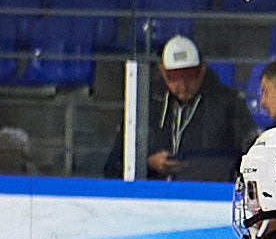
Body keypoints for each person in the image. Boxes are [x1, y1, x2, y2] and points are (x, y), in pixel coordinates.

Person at [105, 35, 258, 182]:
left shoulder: (229, 103)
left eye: (190, 77)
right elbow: (113, 165)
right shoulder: (146, 105)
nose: (183, 86)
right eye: (174, 79)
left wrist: (198, 167)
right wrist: (148, 163)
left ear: (202, 70)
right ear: (163, 72)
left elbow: (246, 161)